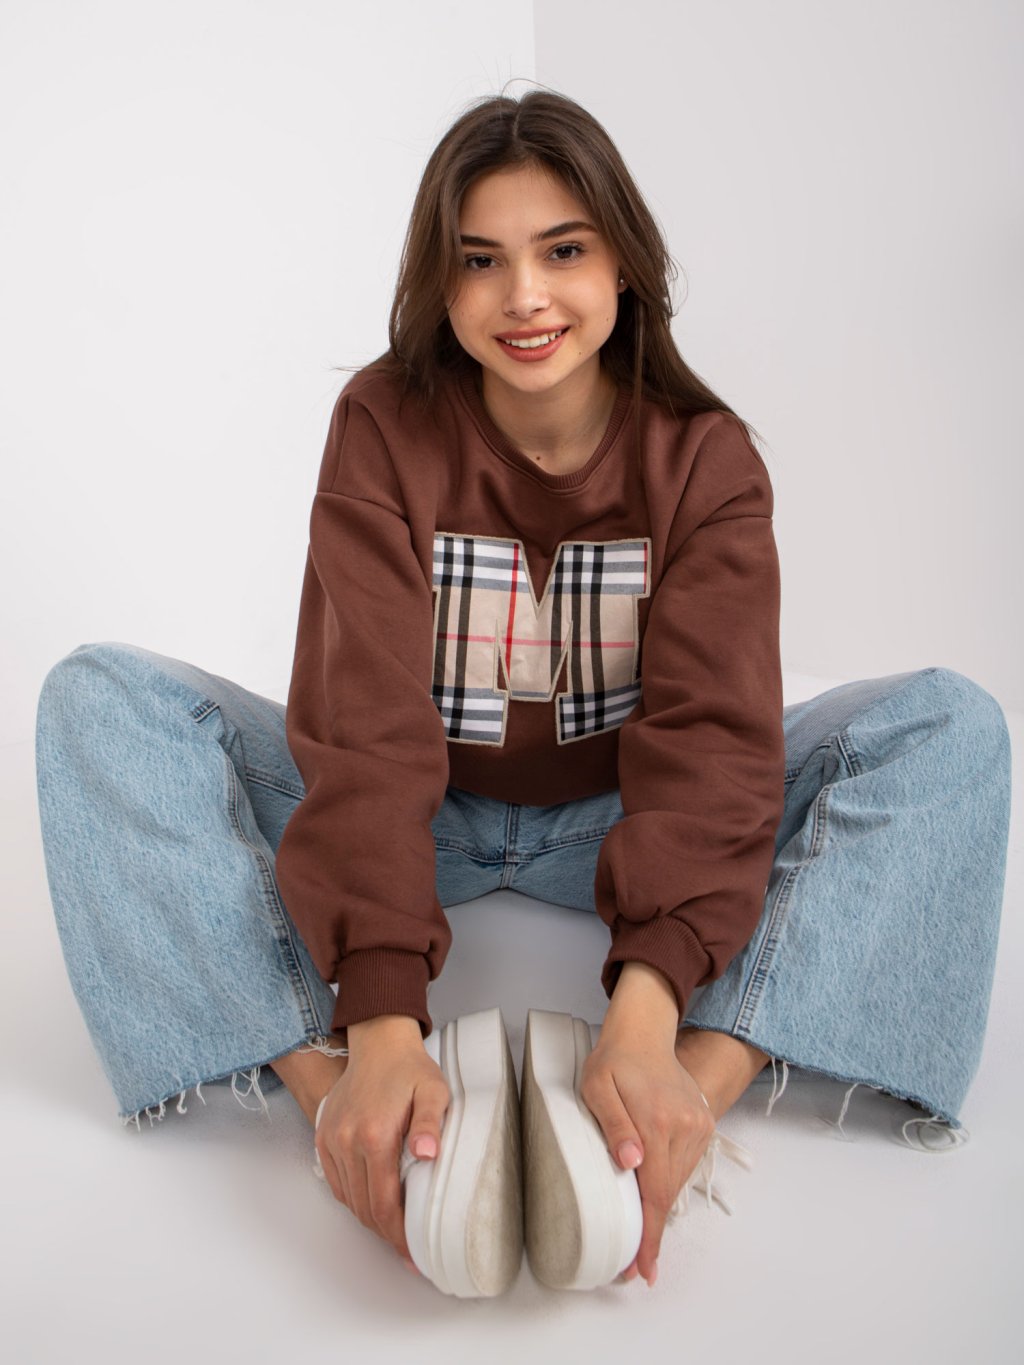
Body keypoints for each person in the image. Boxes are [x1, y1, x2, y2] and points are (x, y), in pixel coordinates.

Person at [35, 90, 1012, 1295]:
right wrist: (382, 1024)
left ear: (623, 265)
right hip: (421, 807)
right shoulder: (384, 422)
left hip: (618, 815)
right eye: (480, 261)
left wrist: (645, 1021)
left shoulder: (702, 456)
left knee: (946, 726)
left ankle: (678, 1105)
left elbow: (710, 739)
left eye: (561, 251)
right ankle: (338, 1104)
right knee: (101, 701)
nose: (524, 298)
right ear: (439, 286)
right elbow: (363, 722)